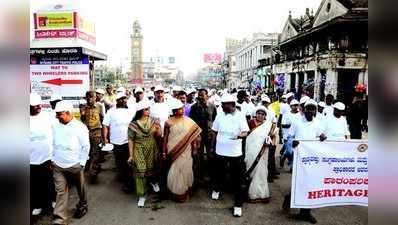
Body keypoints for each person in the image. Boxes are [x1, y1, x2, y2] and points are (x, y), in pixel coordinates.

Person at [282, 99, 326, 224]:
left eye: (313, 109)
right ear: (304, 109)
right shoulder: (297, 122)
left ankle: (305, 212)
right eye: (308, 108)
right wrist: (293, 144)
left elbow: (320, 136)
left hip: (312, 158)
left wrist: (322, 137)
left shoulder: (318, 123)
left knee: (310, 183)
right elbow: (289, 137)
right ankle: (290, 198)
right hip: (299, 156)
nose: (310, 111)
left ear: (315, 111)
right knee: (300, 182)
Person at [210, 94, 249, 217]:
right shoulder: (220, 114)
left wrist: (239, 136)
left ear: (232, 105)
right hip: (220, 151)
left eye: (224, 104)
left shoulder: (240, 116)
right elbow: (214, 131)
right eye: (221, 104)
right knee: (218, 173)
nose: (221, 106)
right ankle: (216, 189)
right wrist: (212, 147)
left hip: (235, 153)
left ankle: (238, 205)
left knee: (237, 179)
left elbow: (245, 132)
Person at [52, 101, 90, 225]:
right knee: (60, 192)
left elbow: (85, 146)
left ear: (68, 113)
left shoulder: (80, 127)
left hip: (75, 165)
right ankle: (60, 219)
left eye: (59, 114)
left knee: (80, 188)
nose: (57, 117)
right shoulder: (55, 125)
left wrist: (82, 164)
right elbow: (52, 142)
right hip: (58, 165)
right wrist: (52, 159)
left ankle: (82, 205)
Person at [163, 99, 202, 202]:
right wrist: (163, 151)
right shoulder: (168, 122)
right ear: (174, 111)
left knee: (186, 169)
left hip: (186, 150)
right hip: (173, 149)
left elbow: (194, 136)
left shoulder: (189, 121)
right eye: (178, 109)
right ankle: (178, 192)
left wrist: (195, 149)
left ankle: (184, 191)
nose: (181, 111)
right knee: (176, 170)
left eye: (181, 109)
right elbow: (165, 138)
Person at [127, 100, 162, 207]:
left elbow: (159, 135)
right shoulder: (133, 125)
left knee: (152, 169)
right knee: (140, 173)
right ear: (141, 111)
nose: (149, 111)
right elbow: (130, 140)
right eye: (146, 109)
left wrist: (158, 127)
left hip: (151, 148)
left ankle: (153, 182)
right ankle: (142, 195)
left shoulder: (153, 121)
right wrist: (131, 155)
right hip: (139, 149)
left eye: (148, 109)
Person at [102, 92, 136, 193]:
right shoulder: (111, 111)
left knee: (128, 163)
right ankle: (124, 179)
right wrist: (105, 138)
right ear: (117, 101)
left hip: (128, 141)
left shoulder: (130, 111)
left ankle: (129, 184)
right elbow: (105, 125)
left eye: (125, 98)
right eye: (121, 99)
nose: (124, 100)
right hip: (116, 142)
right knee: (120, 162)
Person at [30, 93, 55, 216]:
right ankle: (37, 204)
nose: (39, 107)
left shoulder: (49, 116)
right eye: (35, 105)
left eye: (39, 104)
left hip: (48, 156)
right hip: (31, 159)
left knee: (50, 181)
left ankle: (54, 201)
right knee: (34, 183)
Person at [189, 88, 217, 182]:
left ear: (207, 96)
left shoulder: (212, 106)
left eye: (202, 95)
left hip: (209, 135)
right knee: (199, 155)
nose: (200, 97)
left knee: (210, 155)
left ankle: (210, 175)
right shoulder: (193, 107)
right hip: (198, 136)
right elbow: (191, 122)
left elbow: (215, 120)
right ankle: (199, 175)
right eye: (199, 95)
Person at [245, 106, 273, 203]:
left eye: (262, 114)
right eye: (258, 113)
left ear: (265, 116)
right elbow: (246, 135)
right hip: (251, 150)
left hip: (262, 151)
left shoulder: (268, 125)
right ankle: (251, 194)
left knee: (261, 172)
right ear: (255, 114)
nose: (260, 115)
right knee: (250, 169)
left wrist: (268, 142)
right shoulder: (251, 122)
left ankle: (261, 194)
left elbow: (271, 138)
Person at [80, 91, 104, 183]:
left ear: (95, 98)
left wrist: (103, 135)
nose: (90, 99)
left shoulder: (99, 106)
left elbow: (102, 119)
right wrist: (82, 112)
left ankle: (93, 173)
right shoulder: (83, 107)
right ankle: (89, 168)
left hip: (96, 132)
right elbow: (82, 119)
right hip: (86, 132)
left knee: (96, 153)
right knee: (87, 152)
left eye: (92, 97)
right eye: (88, 97)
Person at [260, 95, 279, 182]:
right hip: (260, 135)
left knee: (270, 155)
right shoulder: (258, 109)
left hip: (269, 135)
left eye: (266, 103)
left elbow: (274, 122)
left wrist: (271, 132)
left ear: (269, 103)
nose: (265, 104)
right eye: (263, 102)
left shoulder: (271, 111)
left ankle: (270, 175)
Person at [280, 99, 301, 170]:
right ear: (290, 106)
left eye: (296, 105)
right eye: (294, 105)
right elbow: (283, 125)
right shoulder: (286, 114)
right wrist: (292, 125)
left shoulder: (300, 114)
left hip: (297, 136)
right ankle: (285, 155)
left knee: (294, 152)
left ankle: (292, 167)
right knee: (289, 152)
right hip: (287, 135)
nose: (295, 107)